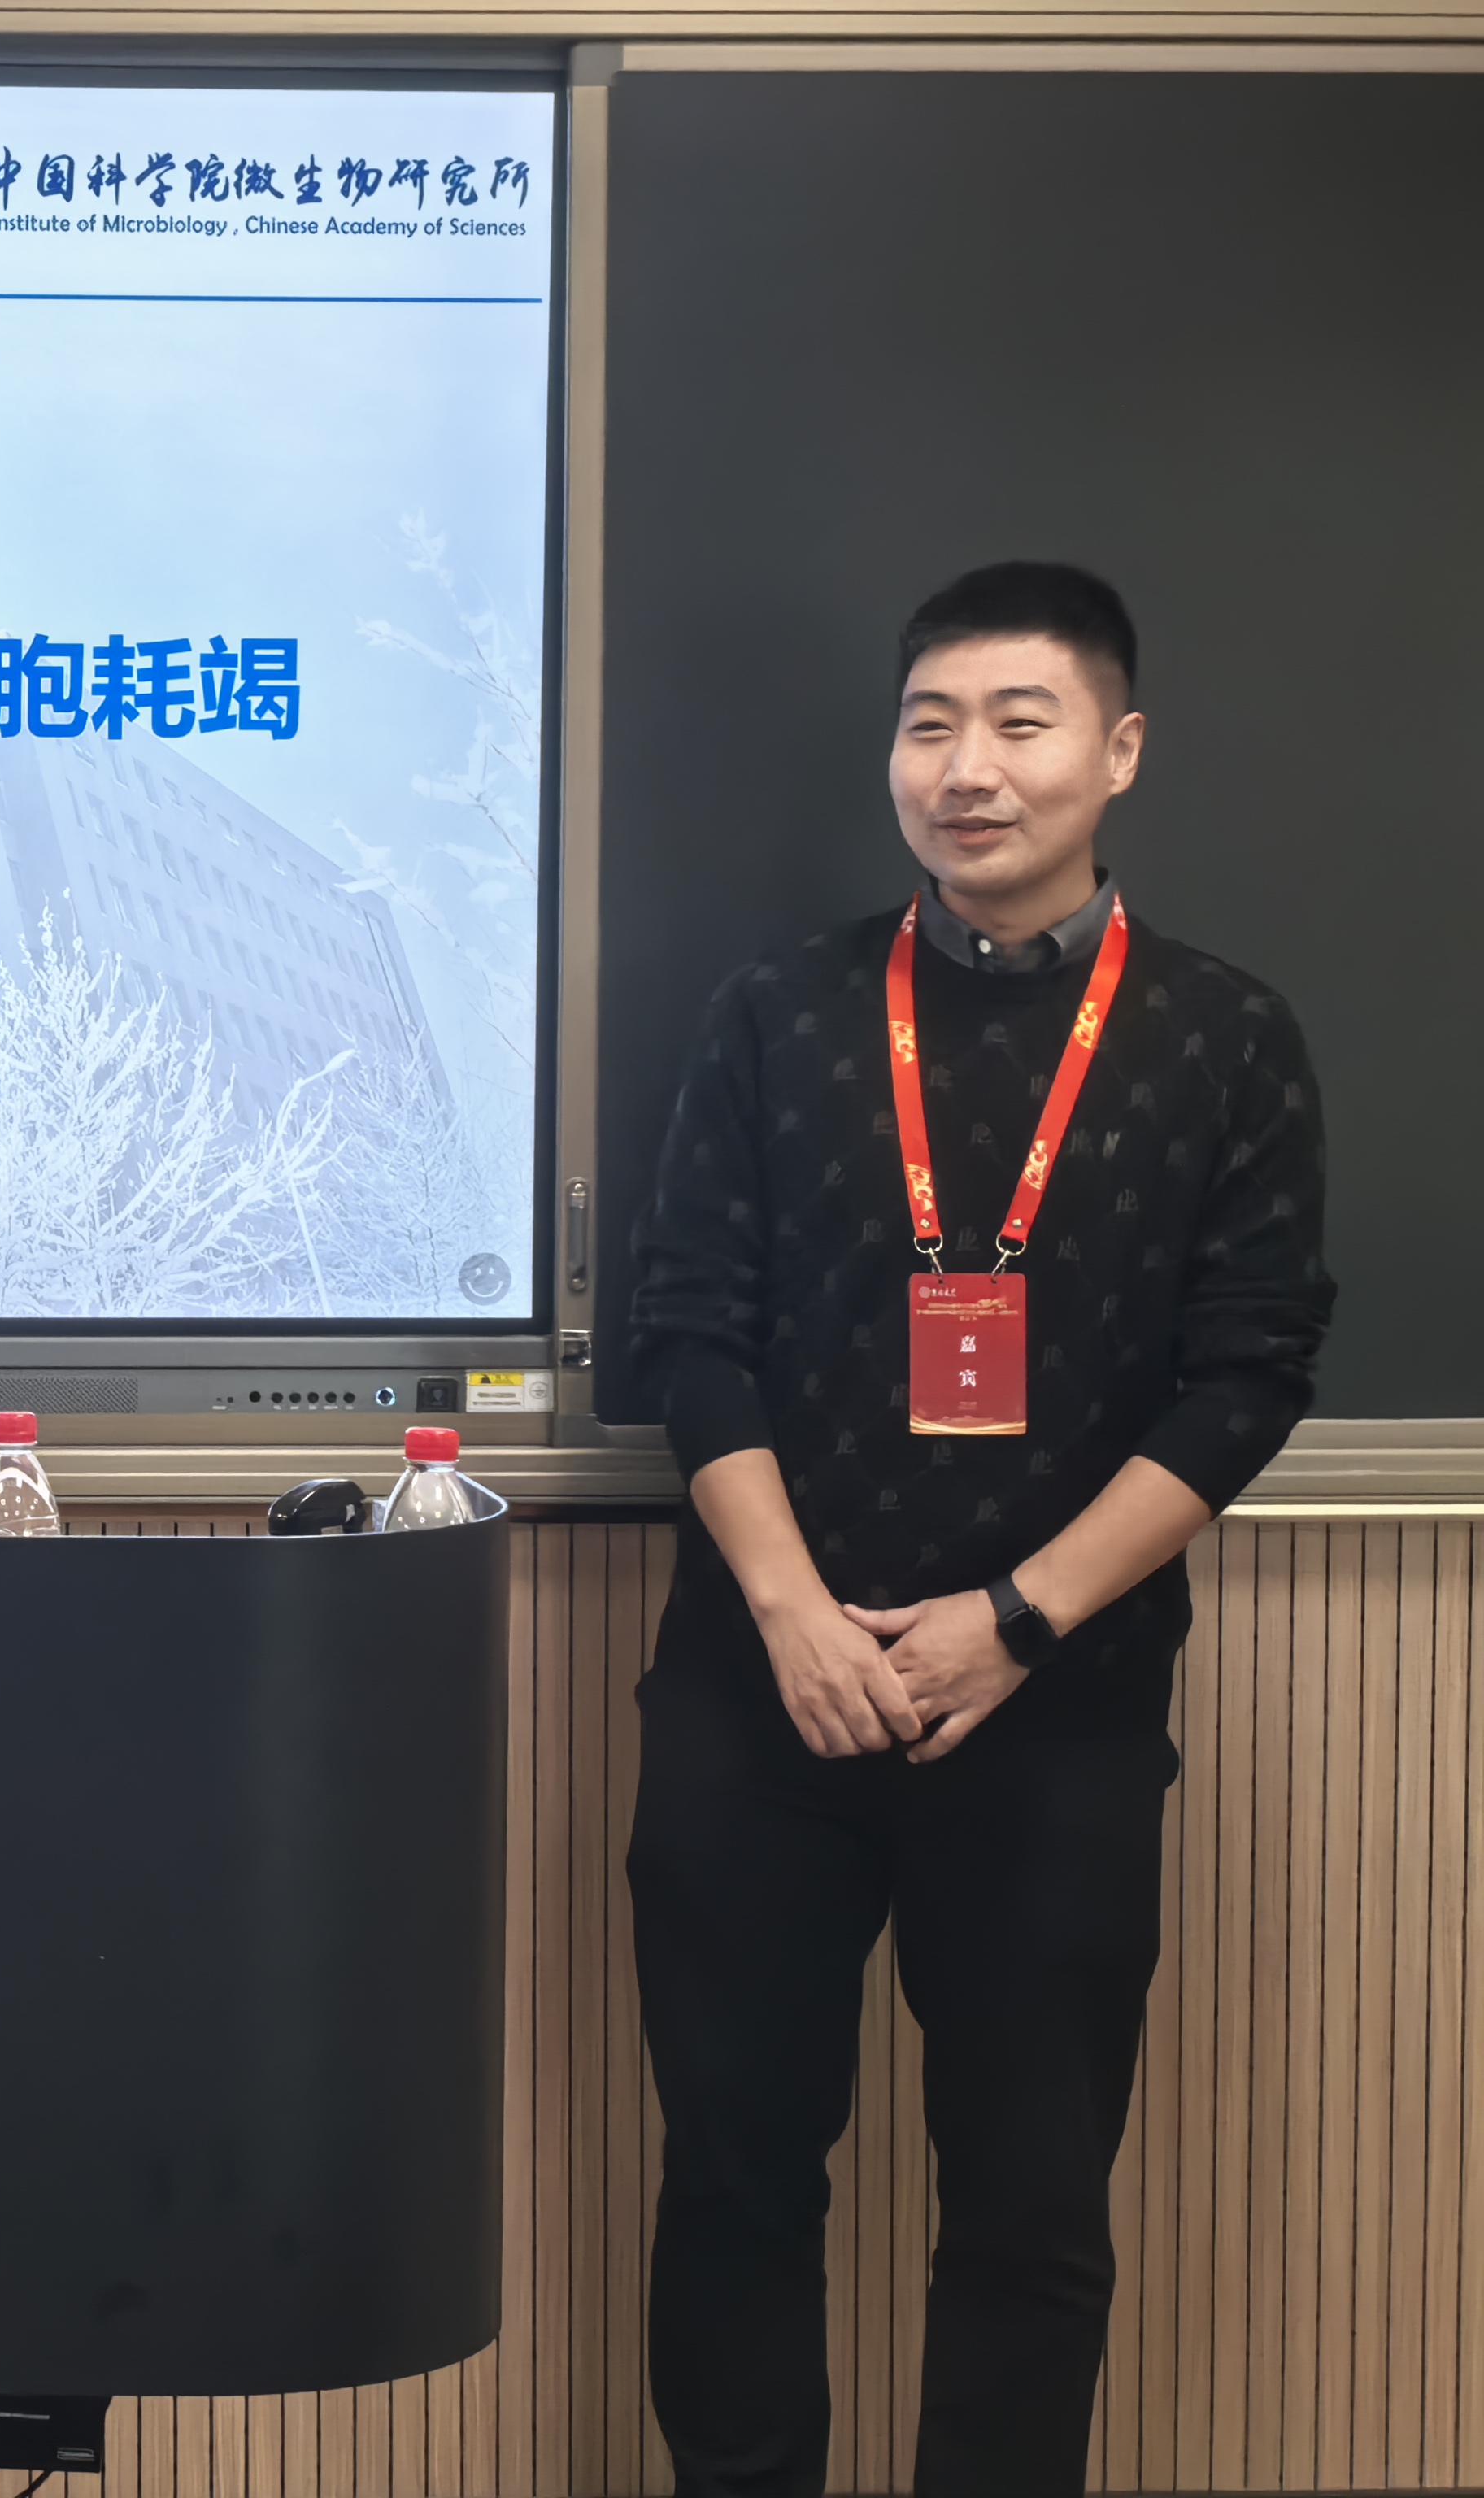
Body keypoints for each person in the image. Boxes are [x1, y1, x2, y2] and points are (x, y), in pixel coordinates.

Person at [624, 561, 1332, 2493]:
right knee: (732, 2180)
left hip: (1054, 1714)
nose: (966, 769)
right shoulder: (777, 1012)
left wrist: (1008, 1624)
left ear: (1117, 752)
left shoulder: (1221, 1036)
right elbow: (686, 1328)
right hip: (761, 1700)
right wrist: (790, 1619)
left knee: (1028, 2208)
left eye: (1019, 723)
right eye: (927, 725)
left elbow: (1244, 1378)